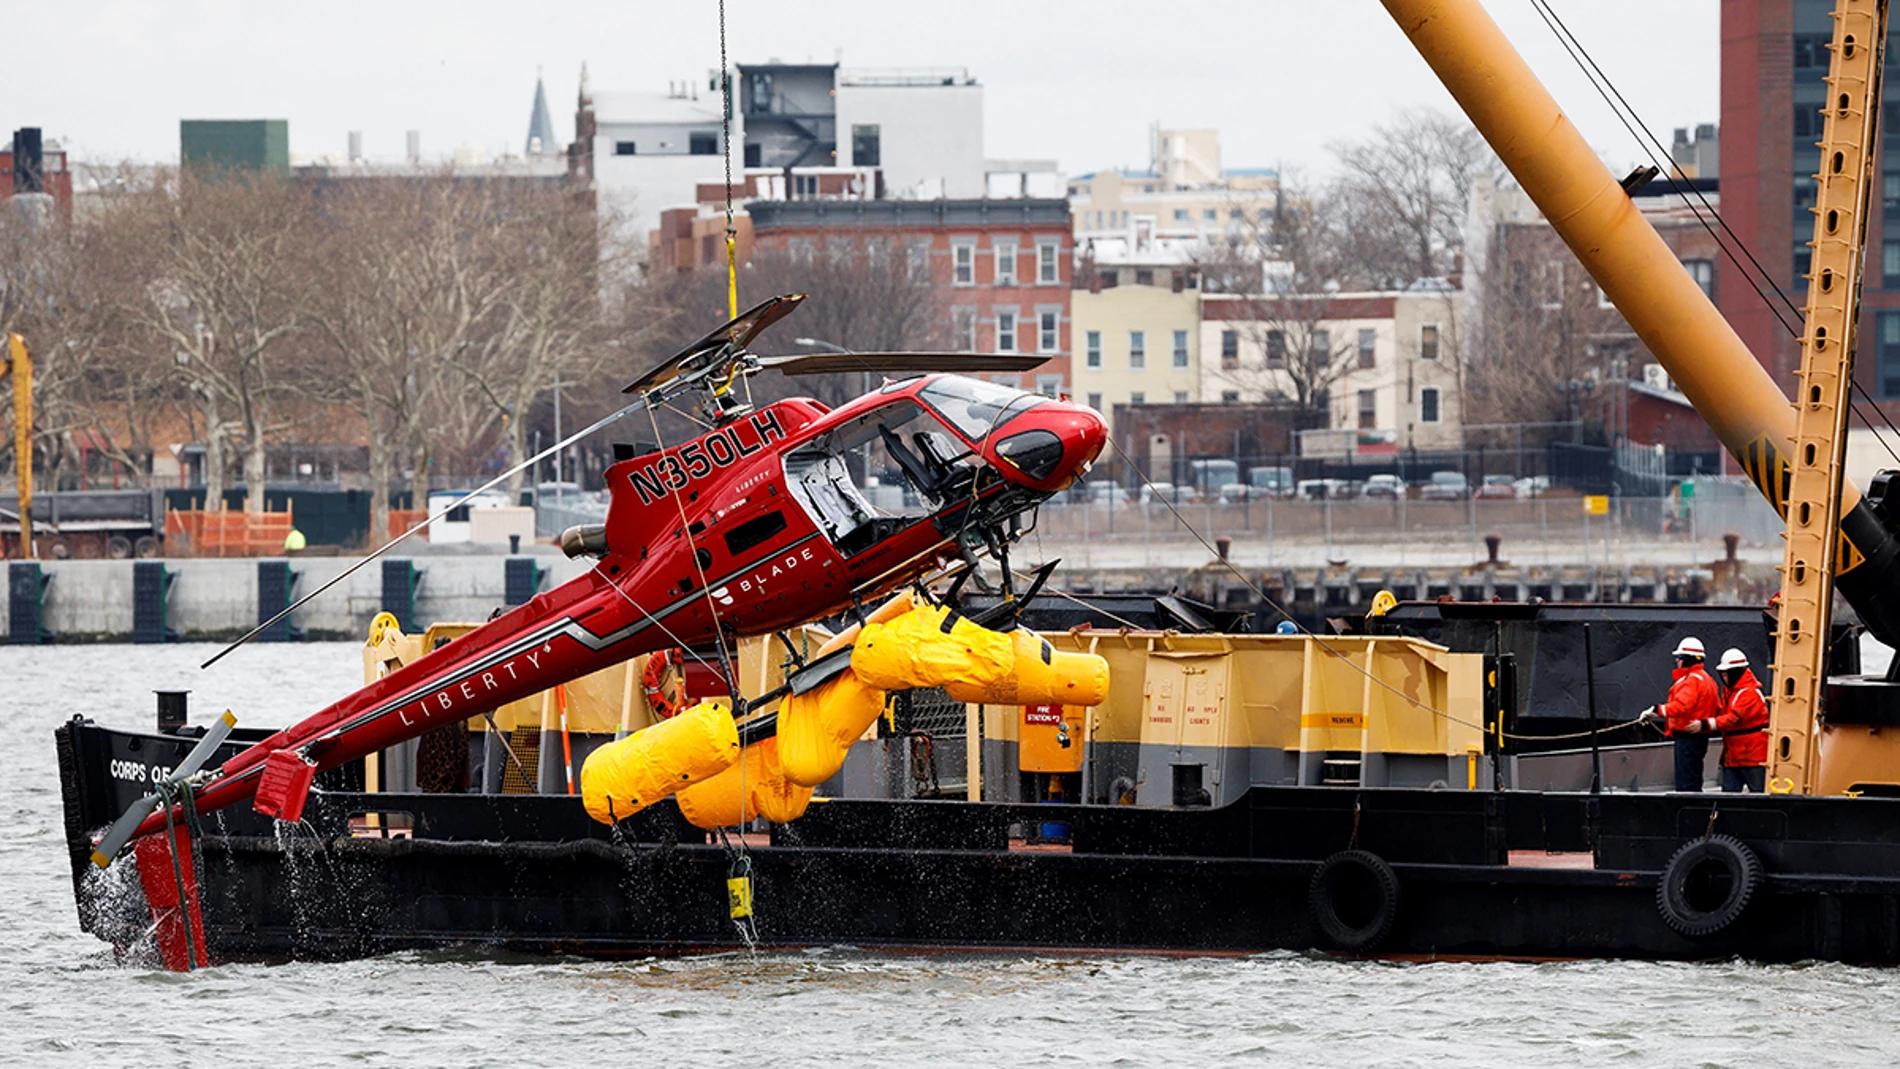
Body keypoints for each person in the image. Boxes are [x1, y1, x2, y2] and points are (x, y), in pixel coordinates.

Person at [1639, 636, 1720, 791]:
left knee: (1686, 783)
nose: (1677, 660)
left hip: (1688, 738)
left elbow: (1681, 706)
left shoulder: (1691, 681)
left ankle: (1688, 810)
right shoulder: (1707, 679)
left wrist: (1656, 711)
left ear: (1689, 659)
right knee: (1694, 779)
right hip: (1699, 737)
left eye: (1680, 657)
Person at [1690, 647, 1768, 793]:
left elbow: (1732, 718)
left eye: (1726, 673)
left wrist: (1705, 724)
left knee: (1759, 796)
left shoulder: (1749, 694)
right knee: (1729, 796)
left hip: (1752, 757)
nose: (1723, 676)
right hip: (1734, 756)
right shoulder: (1731, 693)